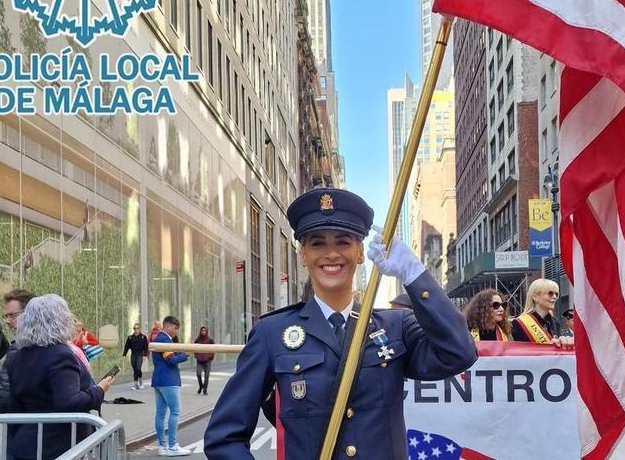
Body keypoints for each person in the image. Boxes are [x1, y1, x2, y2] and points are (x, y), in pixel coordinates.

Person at [204, 188, 478, 459]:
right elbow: (224, 437)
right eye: (317, 243)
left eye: (343, 242)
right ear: (303, 255)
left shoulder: (396, 326)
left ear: (360, 252)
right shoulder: (272, 333)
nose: (331, 253)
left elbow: (459, 352)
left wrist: (414, 274)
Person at [7, 294, 113, 460]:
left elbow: (14, 405)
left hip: (24, 443)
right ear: (60, 319)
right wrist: (99, 391)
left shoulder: (17, 356)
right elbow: (69, 401)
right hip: (57, 446)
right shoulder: (60, 354)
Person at [0, 289, 36, 414]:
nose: (7, 321)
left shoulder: (18, 349)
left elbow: (3, 390)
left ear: (30, 314)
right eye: (6, 316)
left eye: (12, 315)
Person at [151, 316, 191, 456]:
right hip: (168, 380)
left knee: (160, 414)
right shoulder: (164, 340)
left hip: (158, 380)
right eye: (175, 329)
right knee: (175, 411)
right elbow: (171, 360)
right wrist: (185, 355)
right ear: (168, 326)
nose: (176, 332)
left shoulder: (159, 339)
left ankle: (162, 446)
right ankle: (173, 446)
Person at [511, 278, 573, 348]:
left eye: (556, 294)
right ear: (535, 297)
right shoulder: (519, 323)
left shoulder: (555, 322)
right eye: (550, 293)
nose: (554, 297)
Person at [124, 323, 149, 390]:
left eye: (137, 328)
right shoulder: (130, 337)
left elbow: (146, 347)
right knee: (135, 369)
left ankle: (139, 382)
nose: (136, 330)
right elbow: (126, 346)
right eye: (134, 328)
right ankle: (136, 384)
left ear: (139, 329)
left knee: (138, 368)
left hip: (140, 354)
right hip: (133, 354)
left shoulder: (143, 337)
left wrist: (145, 355)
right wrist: (124, 354)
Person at [194, 326, 215, 395]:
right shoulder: (198, 339)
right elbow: (194, 347)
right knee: (198, 373)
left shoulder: (210, 339)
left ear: (206, 332)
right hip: (199, 360)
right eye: (202, 331)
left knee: (207, 375)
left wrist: (211, 357)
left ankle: (205, 389)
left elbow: (214, 348)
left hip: (207, 360)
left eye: (204, 331)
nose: (203, 332)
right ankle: (201, 386)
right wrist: (196, 355)